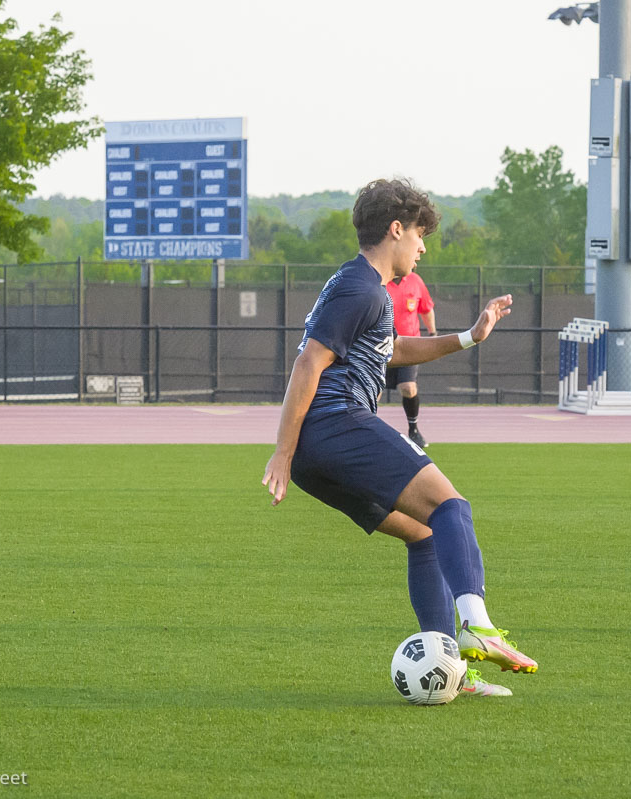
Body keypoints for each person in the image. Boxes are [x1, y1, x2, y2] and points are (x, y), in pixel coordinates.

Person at [261, 178, 537, 699]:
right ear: (395, 229)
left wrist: (467, 337)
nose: (423, 246)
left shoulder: (366, 289)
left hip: (317, 450)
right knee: (452, 507)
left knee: (425, 534)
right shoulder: (360, 287)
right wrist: (281, 448)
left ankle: (453, 670)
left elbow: (391, 352)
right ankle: (476, 623)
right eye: (419, 235)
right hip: (335, 423)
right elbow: (308, 362)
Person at [385, 266, 437, 448]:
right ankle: (366, 431)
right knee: (372, 392)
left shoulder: (416, 281)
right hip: (382, 346)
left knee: (408, 387)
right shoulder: (380, 281)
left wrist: (432, 334)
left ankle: (413, 430)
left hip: (409, 346)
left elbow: (427, 309)